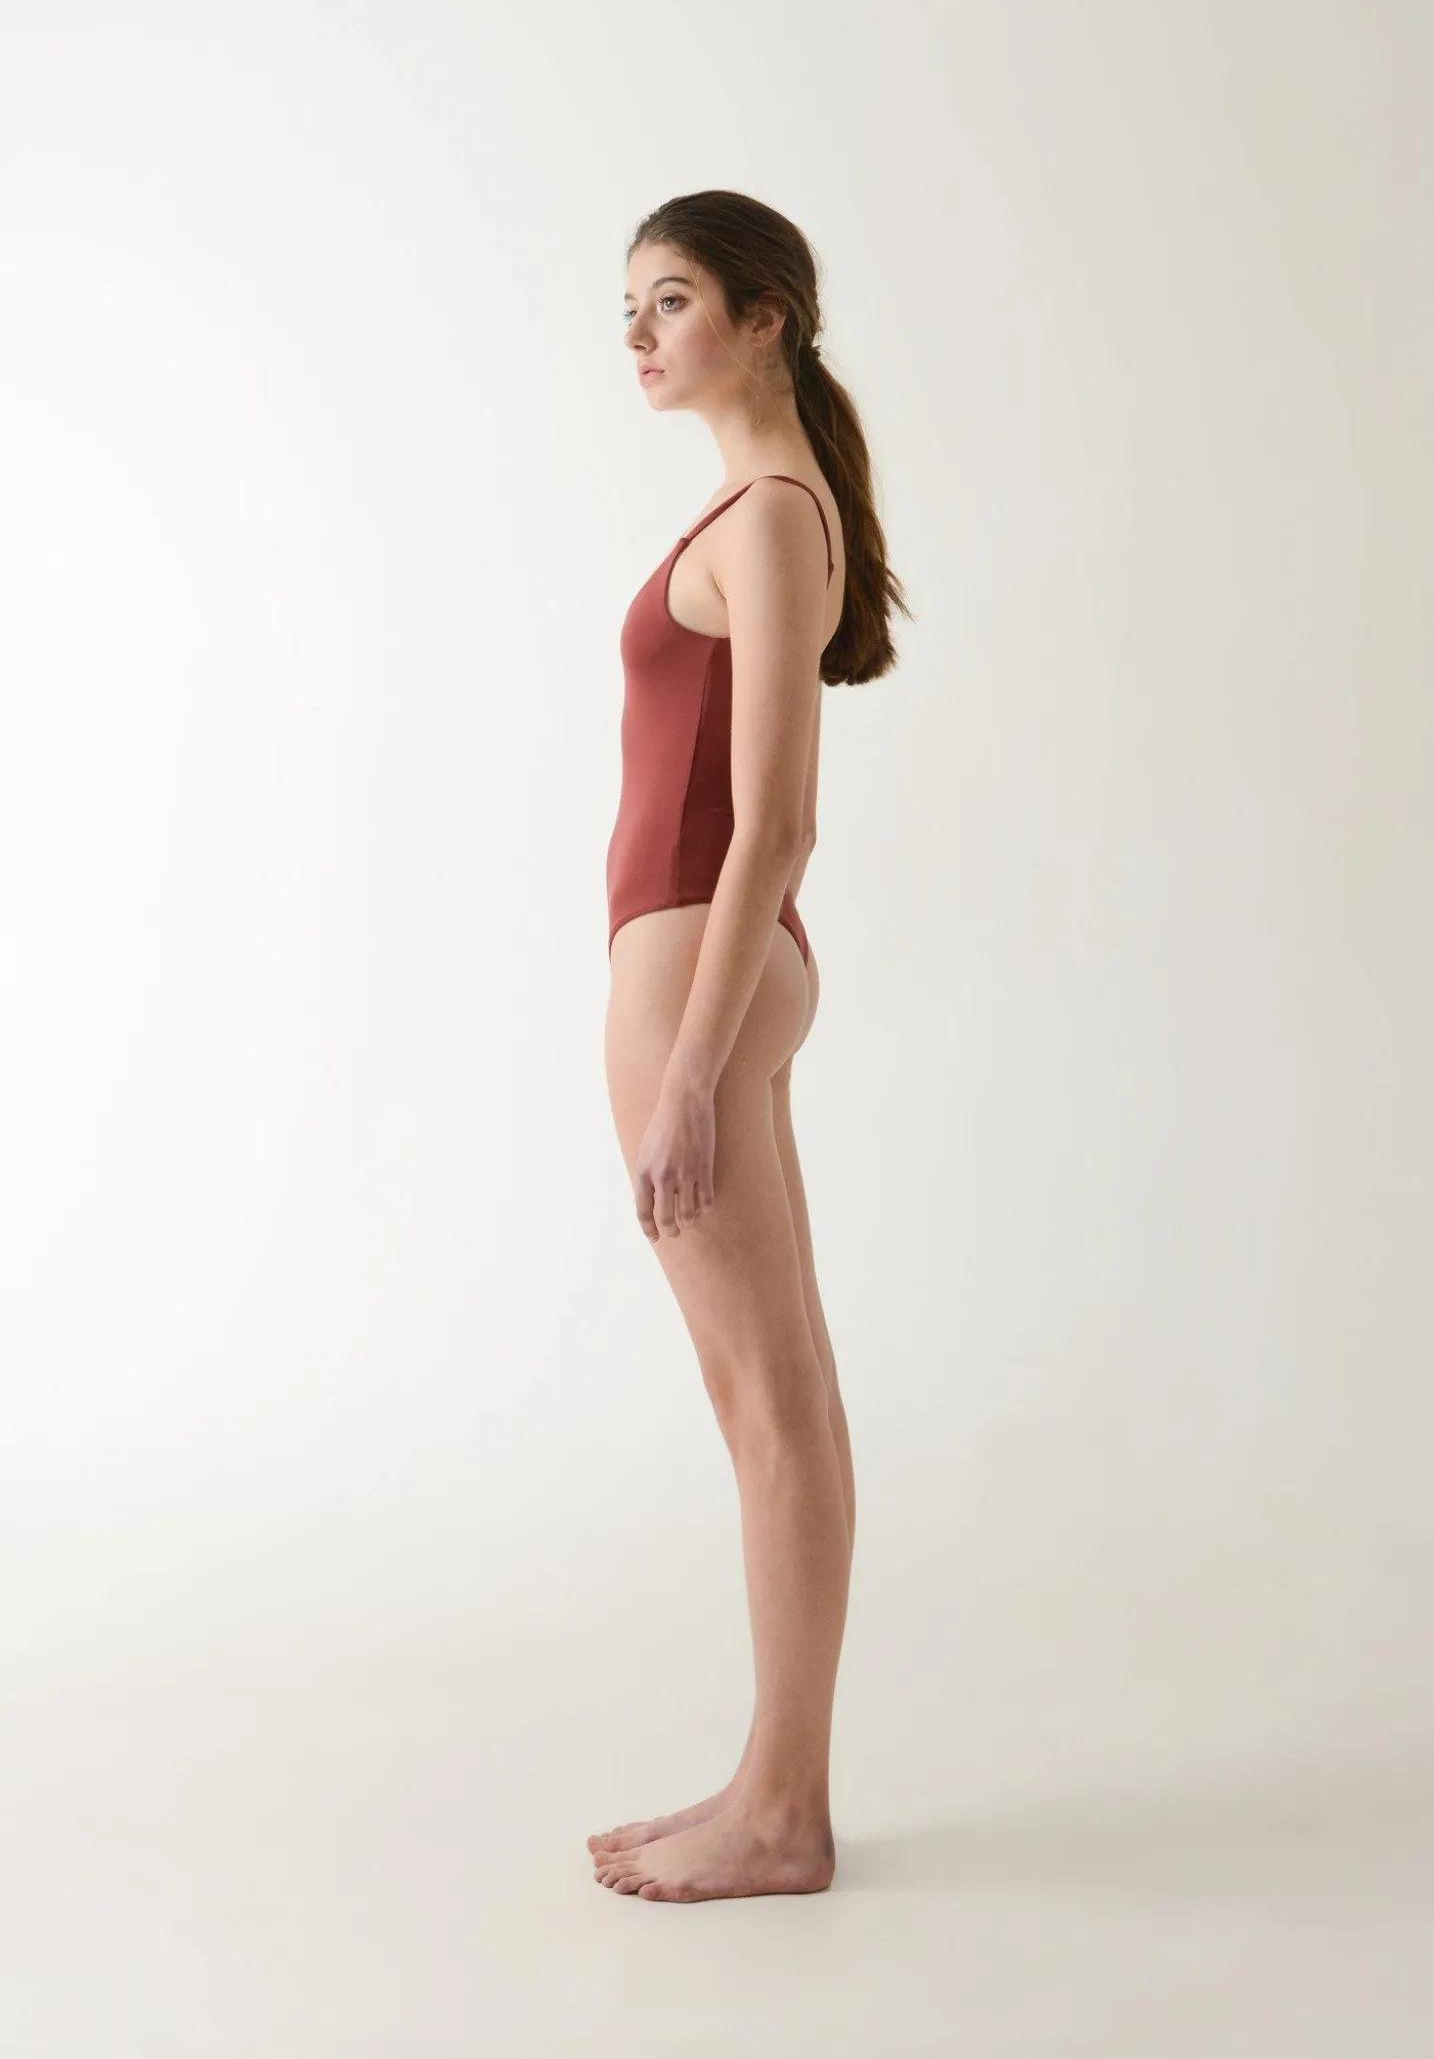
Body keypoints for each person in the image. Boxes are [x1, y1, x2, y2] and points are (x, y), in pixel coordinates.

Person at [591, 190, 909, 1903]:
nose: (640, 336)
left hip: (697, 977)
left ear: (765, 316)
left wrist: (692, 1070)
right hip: (704, 971)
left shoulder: (773, 515)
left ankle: (783, 1815)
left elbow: (776, 822)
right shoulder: (754, 504)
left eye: (671, 300)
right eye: (629, 310)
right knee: (770, 1394)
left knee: (772, 1400)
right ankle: (769, 1783)